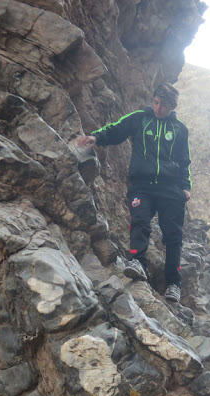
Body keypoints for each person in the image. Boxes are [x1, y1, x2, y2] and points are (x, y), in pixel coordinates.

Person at [77, 83, 191, 303]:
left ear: (173, 106)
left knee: (173, 238)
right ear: (153, 100)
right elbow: (117, 129)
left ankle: (173, 285)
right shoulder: (140, 118)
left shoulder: (179, 129)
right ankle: (137, 262)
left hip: (171, 189)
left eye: (165, 105)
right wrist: (97, 137)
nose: (159, 108)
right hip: (142, 185)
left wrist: (186, 188)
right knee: (140, 221)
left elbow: (184, 161)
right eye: (157, 102)